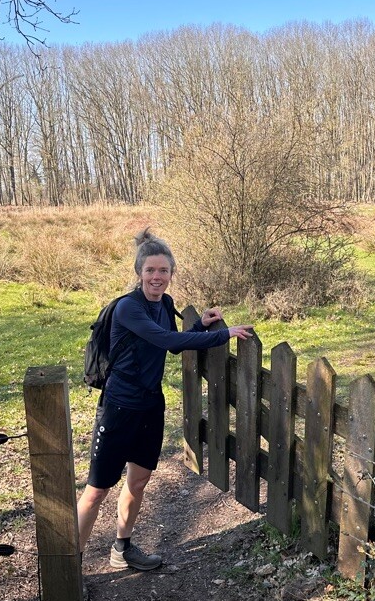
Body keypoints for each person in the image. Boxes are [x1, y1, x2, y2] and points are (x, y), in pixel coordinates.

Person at [77, 229, 253, 571]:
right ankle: (70, 566)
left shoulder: (165, 304)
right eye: (150, 271)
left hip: (150, 407)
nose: (157, 277)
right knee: (96, 491)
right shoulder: (128, 308)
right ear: (139, 272)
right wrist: (223, 334)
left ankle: (122, 548)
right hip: (118, 408)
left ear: (171, 274)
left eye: (163, 271)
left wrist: (201, 325)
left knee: (138, 481)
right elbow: (164, 337)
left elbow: (172, 344)